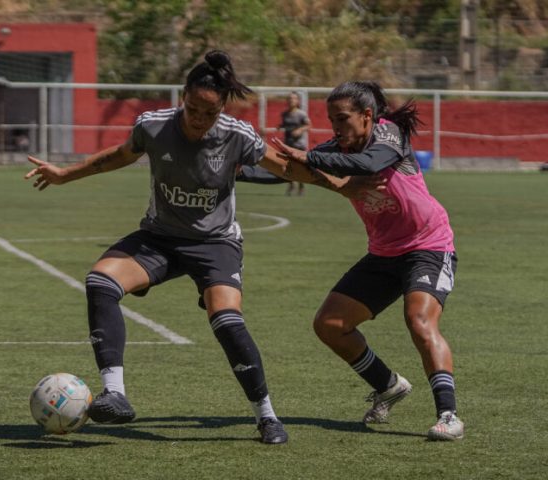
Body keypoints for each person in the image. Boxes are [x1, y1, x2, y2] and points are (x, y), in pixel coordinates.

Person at [24, 51, 376, 444]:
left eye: (209, 113)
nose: (199, 119)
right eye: (193, 109)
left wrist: (340, 186)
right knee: (100, 282)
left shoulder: (237, 135)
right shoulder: (153, 126)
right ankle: (116, 394)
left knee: (226, 320)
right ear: (183, 98)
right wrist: (63, 174)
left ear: (221, 108)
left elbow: (286, 167)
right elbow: (119, 156)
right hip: (160, 238)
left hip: (215, 244)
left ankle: (267, 417)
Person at [273, 81, 464, 441]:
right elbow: (290, 168)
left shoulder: (387, 136)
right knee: (329, 324)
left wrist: (310, 158)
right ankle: (388, 385)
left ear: (366, 116)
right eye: (331, 120)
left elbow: (367, 162)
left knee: (419, 320)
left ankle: (449, 415)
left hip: (429, 246)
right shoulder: (335, 148)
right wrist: (240, 162)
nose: (335, 128)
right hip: (383, 253)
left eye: (342, 119)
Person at [278, 92, 311, 196]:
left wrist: (300, 130)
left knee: (300, 166)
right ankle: (291, 185)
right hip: (288, 143)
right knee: (288, 166)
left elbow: (308, 125)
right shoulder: (284, 114)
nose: (291, 100)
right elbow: (285, 125)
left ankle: (301, 186)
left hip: (299, 144)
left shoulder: (301, 114)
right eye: (290, 98)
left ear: (297, 101)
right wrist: (279, 126)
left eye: (294, 98)